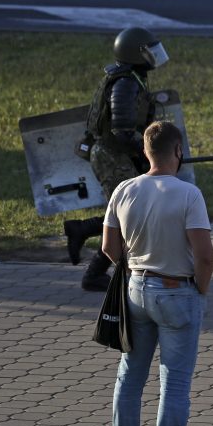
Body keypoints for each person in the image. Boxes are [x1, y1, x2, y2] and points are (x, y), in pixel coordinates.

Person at [101, 120, 213, 426]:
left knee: (129, 378)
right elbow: (204, 256)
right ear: (178, 151)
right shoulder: (188, 195)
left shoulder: (124, 190)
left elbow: (108, 248)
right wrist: (201, 289)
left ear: (146, 152)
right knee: (175, 384)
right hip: (178, 292)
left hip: (135, 289)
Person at [65, 26, 169, 291]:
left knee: (128, 214)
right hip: (112, 155)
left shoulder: (133, 78)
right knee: (128, 217)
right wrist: (149, 154)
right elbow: (122, 132)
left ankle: (83, 234)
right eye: (149, 52)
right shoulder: (124, 85)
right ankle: (93, 271)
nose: (154, 57)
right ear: (135, 54)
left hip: (119, 153)